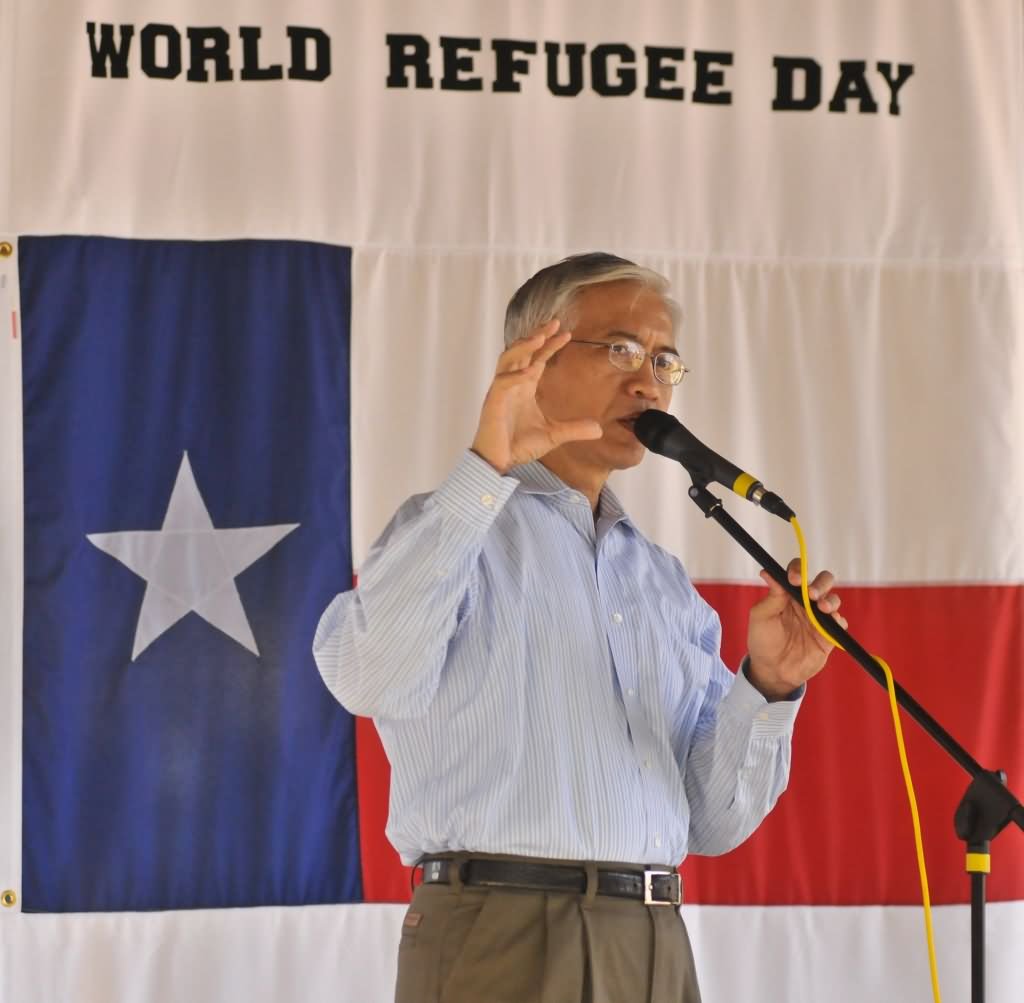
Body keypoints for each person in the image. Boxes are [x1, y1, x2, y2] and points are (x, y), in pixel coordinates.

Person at [313, 253, 846, 1003]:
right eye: (622, 348)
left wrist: (769, 684)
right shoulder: (453, 534)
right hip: (498, 932)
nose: (649, 381)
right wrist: (484, 468)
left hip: (654, 938)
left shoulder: (663, 585)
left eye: (664, 360)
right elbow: (366, 676)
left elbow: (712, 821)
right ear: (533, 356)